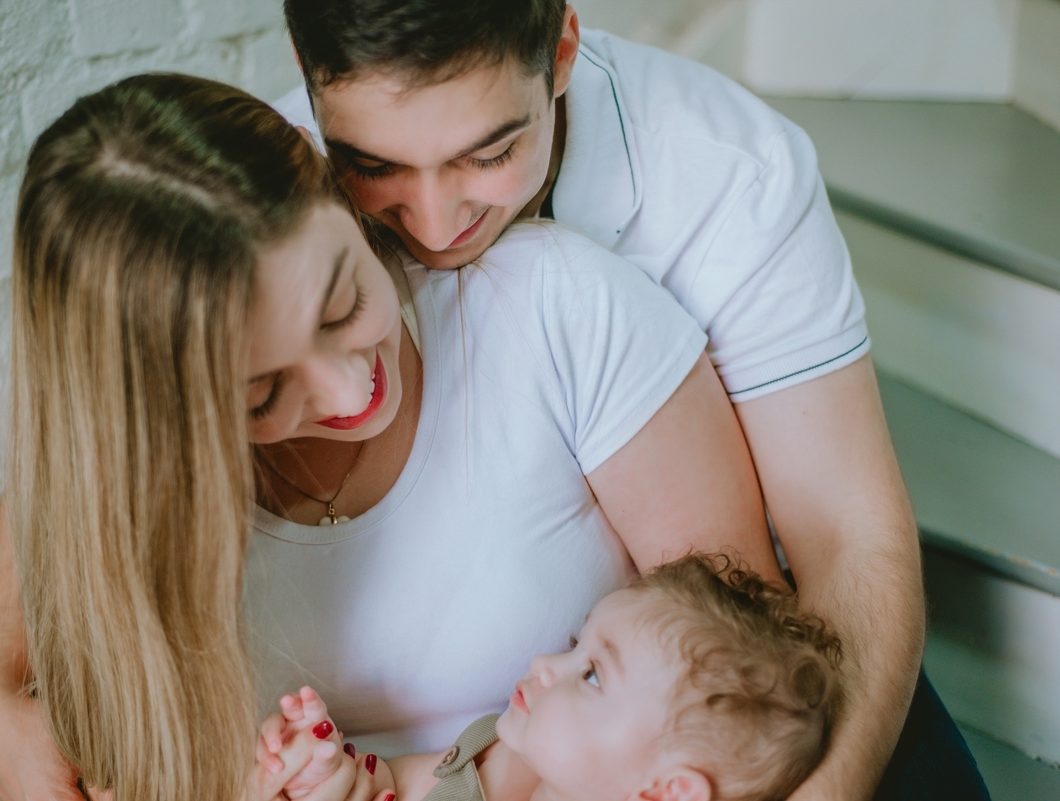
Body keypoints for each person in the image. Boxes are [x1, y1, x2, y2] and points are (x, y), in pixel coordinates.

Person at [0, 73, 780, 801]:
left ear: (331, 191)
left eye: (342, 304)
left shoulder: (558, 311)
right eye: (263, 393)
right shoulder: (116, 517)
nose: (352, 393)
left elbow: (748, 687)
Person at [275, 1, 988, 798]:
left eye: (493, 152)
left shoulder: (729, 174)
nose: (436, 224)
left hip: (740, 676)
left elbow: (847, 534)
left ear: (563, 54)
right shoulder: (266, 204)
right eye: (374, 167)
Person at [263, 553, 843, 801]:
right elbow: (390, 784)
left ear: (669, 793)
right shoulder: (488, 751)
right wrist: (327, 776)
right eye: (574, 645)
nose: (546, 665)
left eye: (591, 675)